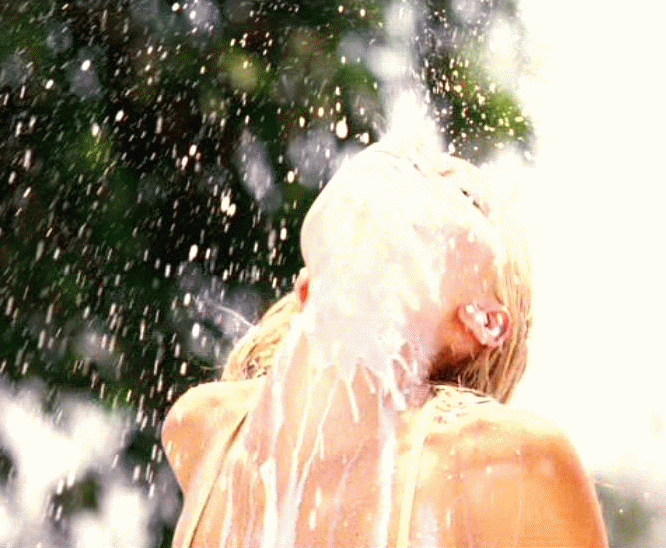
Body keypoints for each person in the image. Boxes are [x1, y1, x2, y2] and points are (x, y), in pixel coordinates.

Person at [162, 121, 608, 547]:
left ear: (483, 321)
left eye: (466, 196)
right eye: (416, 168)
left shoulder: (503, 466)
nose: (419, 174)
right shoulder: (202, 429)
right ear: (309, 288)